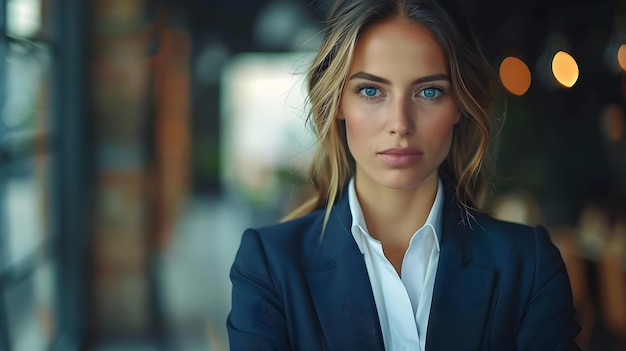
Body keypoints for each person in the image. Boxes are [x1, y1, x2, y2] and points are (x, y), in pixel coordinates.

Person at [227, 0, 581, 349]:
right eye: (371, 91)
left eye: (429, 92)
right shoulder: (269, 265)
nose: (400, 124)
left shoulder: (527, 265)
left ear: (459, 104)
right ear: (337, 102)